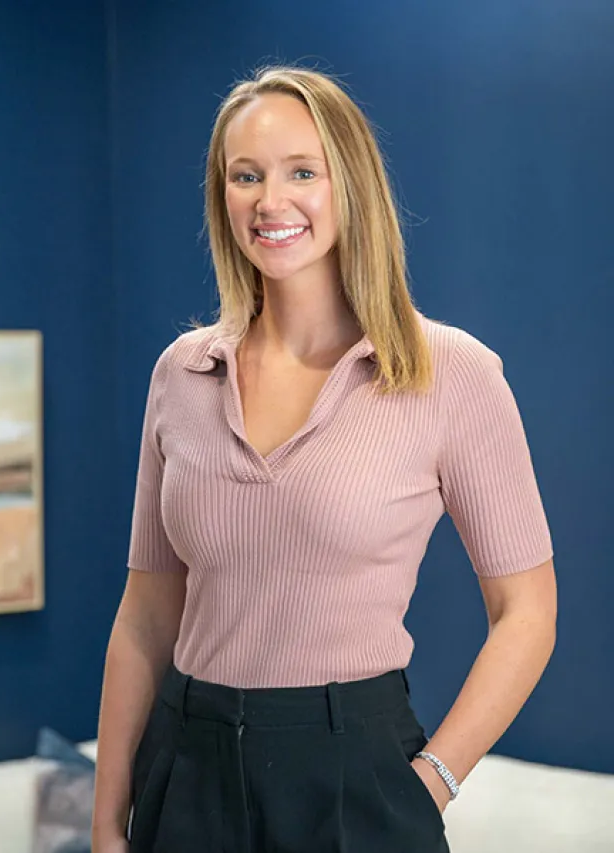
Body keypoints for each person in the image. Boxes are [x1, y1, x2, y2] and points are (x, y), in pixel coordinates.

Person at [91, 65, 557, 853]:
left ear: (351, 186)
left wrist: (430, 781)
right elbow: (144, 618)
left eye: (301, 171)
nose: (271, 201)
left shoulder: (453, 372)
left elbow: (528, 612)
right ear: (223, 196)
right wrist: (106, 823)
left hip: (355, 775)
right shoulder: (181, 373)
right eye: (247, 176)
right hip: (186, 769)